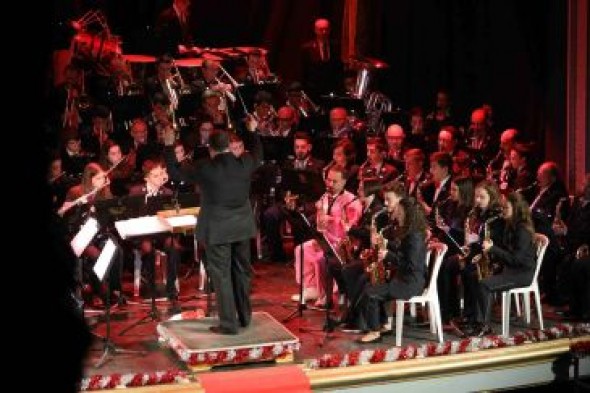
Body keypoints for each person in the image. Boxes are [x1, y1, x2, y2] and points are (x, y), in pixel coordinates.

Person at [163, 120, 262, 334]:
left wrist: (169, 145)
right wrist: (253, 132)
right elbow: (258, 155)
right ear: (229, 145)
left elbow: (175, 172)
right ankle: (244, 317)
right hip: (242, 228)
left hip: (217, 230)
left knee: (222, 275)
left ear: (211, 148)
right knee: (242, 272)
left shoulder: (205, 167)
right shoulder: (244, 162)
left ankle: (228, 324)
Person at [357, 196, 428, 343]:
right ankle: (382, 324)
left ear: (407, 214)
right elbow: (404, 252)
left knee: (371, 292)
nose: (397, 215)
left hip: (410, 283)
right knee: (371, 287)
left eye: (400, 212)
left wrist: (388, 255)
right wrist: (387, 244)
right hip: (405, 279)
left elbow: (411, 265)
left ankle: (374, 331)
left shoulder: (414, 237)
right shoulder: (410, 232)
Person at [469, 192, 537, 336]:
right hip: (510, 270)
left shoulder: (522, 230)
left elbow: (516, 260)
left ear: (516, 210)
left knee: (484, 285)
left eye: (506, 208)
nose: (502, 211)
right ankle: (475, 320)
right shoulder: (510, 226)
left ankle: (484, 326)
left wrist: (493, 249)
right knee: (475, 277)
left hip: (521, 274)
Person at [301, 18, 343, 100]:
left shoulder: (336, 46)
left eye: (326, 29)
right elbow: (304, 71)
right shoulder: (307, 48)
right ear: (315, 30)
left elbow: (339, 68)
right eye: (321, 30)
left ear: (330, 30)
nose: (324, 32)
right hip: (313, 90)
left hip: (332, 89)